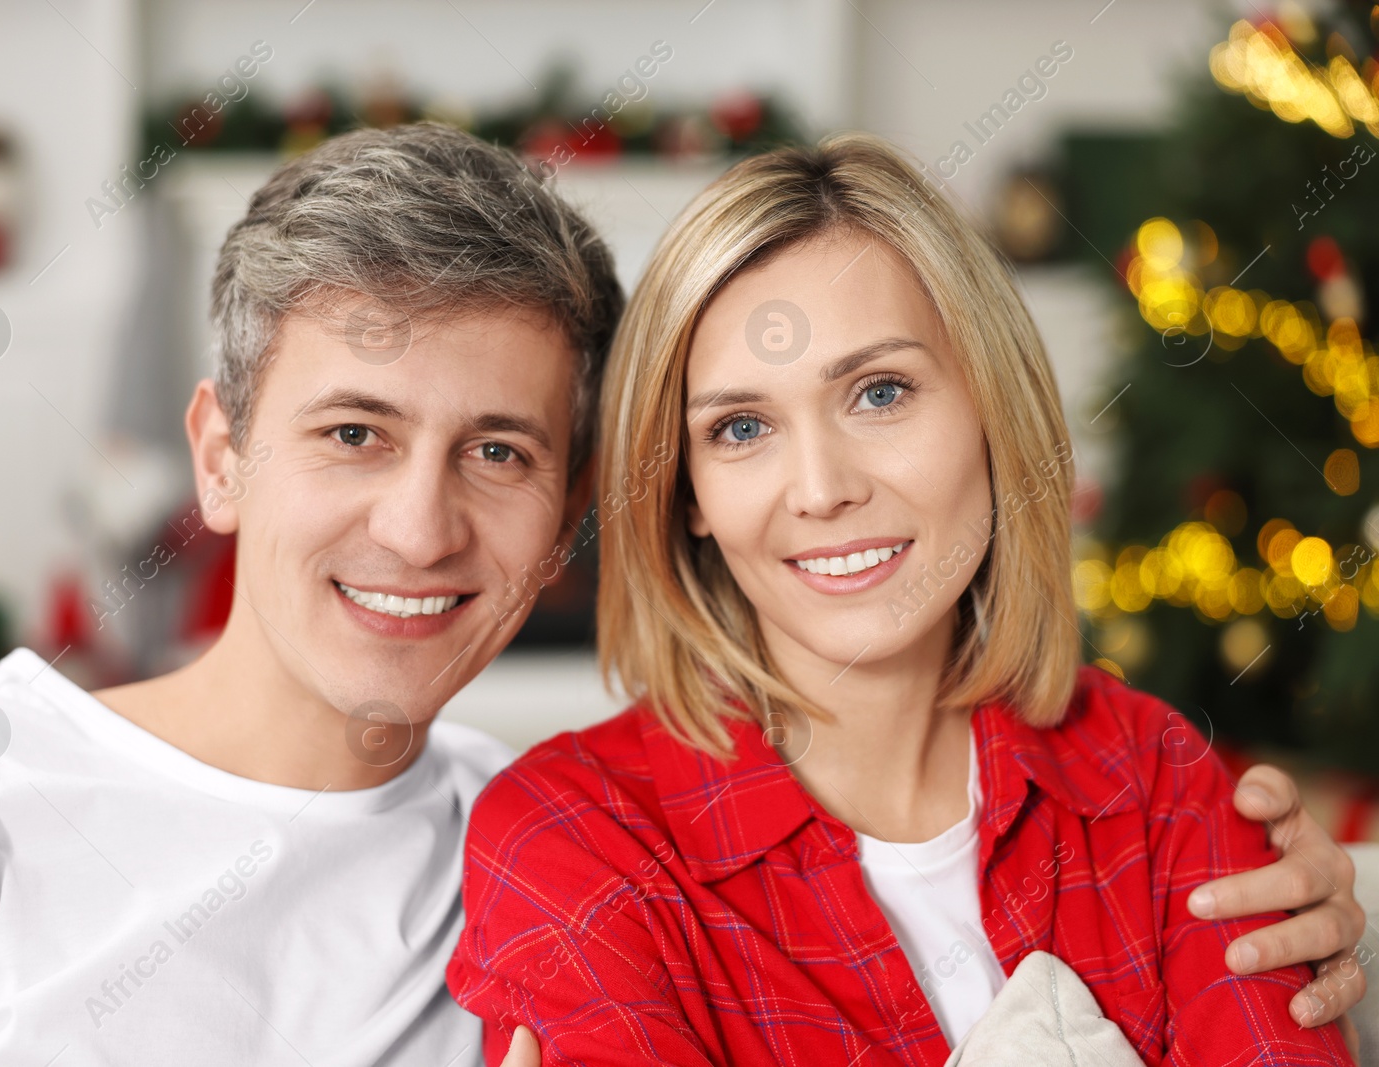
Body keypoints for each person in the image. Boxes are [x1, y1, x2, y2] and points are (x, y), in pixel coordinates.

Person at [0, 123, 1360, 1066]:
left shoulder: (519, 831)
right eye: (352, 432)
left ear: (572, 521)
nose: (420, 523)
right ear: (220, 455)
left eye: (499, 451)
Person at [446, 132, 1368, 1065]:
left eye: (880, 392)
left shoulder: (1163, 781)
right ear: (687, 491)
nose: (821, 487)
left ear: (990, 410)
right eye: (741, 426)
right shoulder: (570, 843)